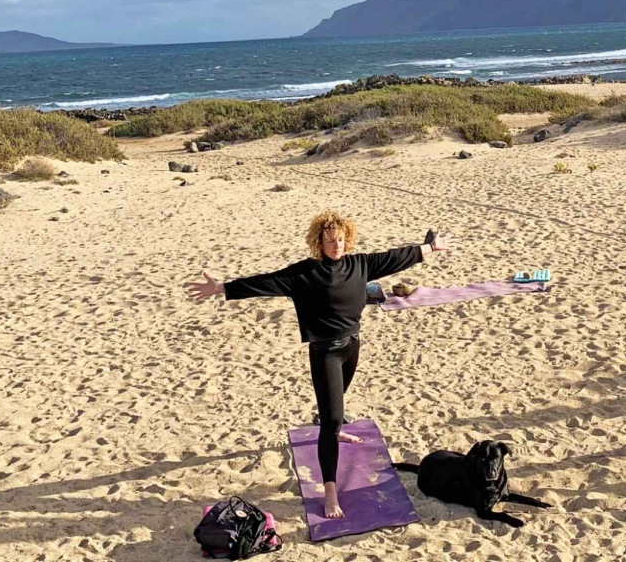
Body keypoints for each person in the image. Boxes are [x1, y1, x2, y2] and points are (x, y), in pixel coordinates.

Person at [185, 211, 451, 519]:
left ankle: (334, 428)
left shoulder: (360, 264)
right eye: (329, 241)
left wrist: (431, 247)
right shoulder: (306, 273)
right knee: (330, 420)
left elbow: (396, 257)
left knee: (335, 407)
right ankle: (330, 490)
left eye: (339, 240)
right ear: (318, 243)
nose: (336, 246)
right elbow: (267, 282)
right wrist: (222, 289)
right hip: (324, 353)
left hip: (352, 346)